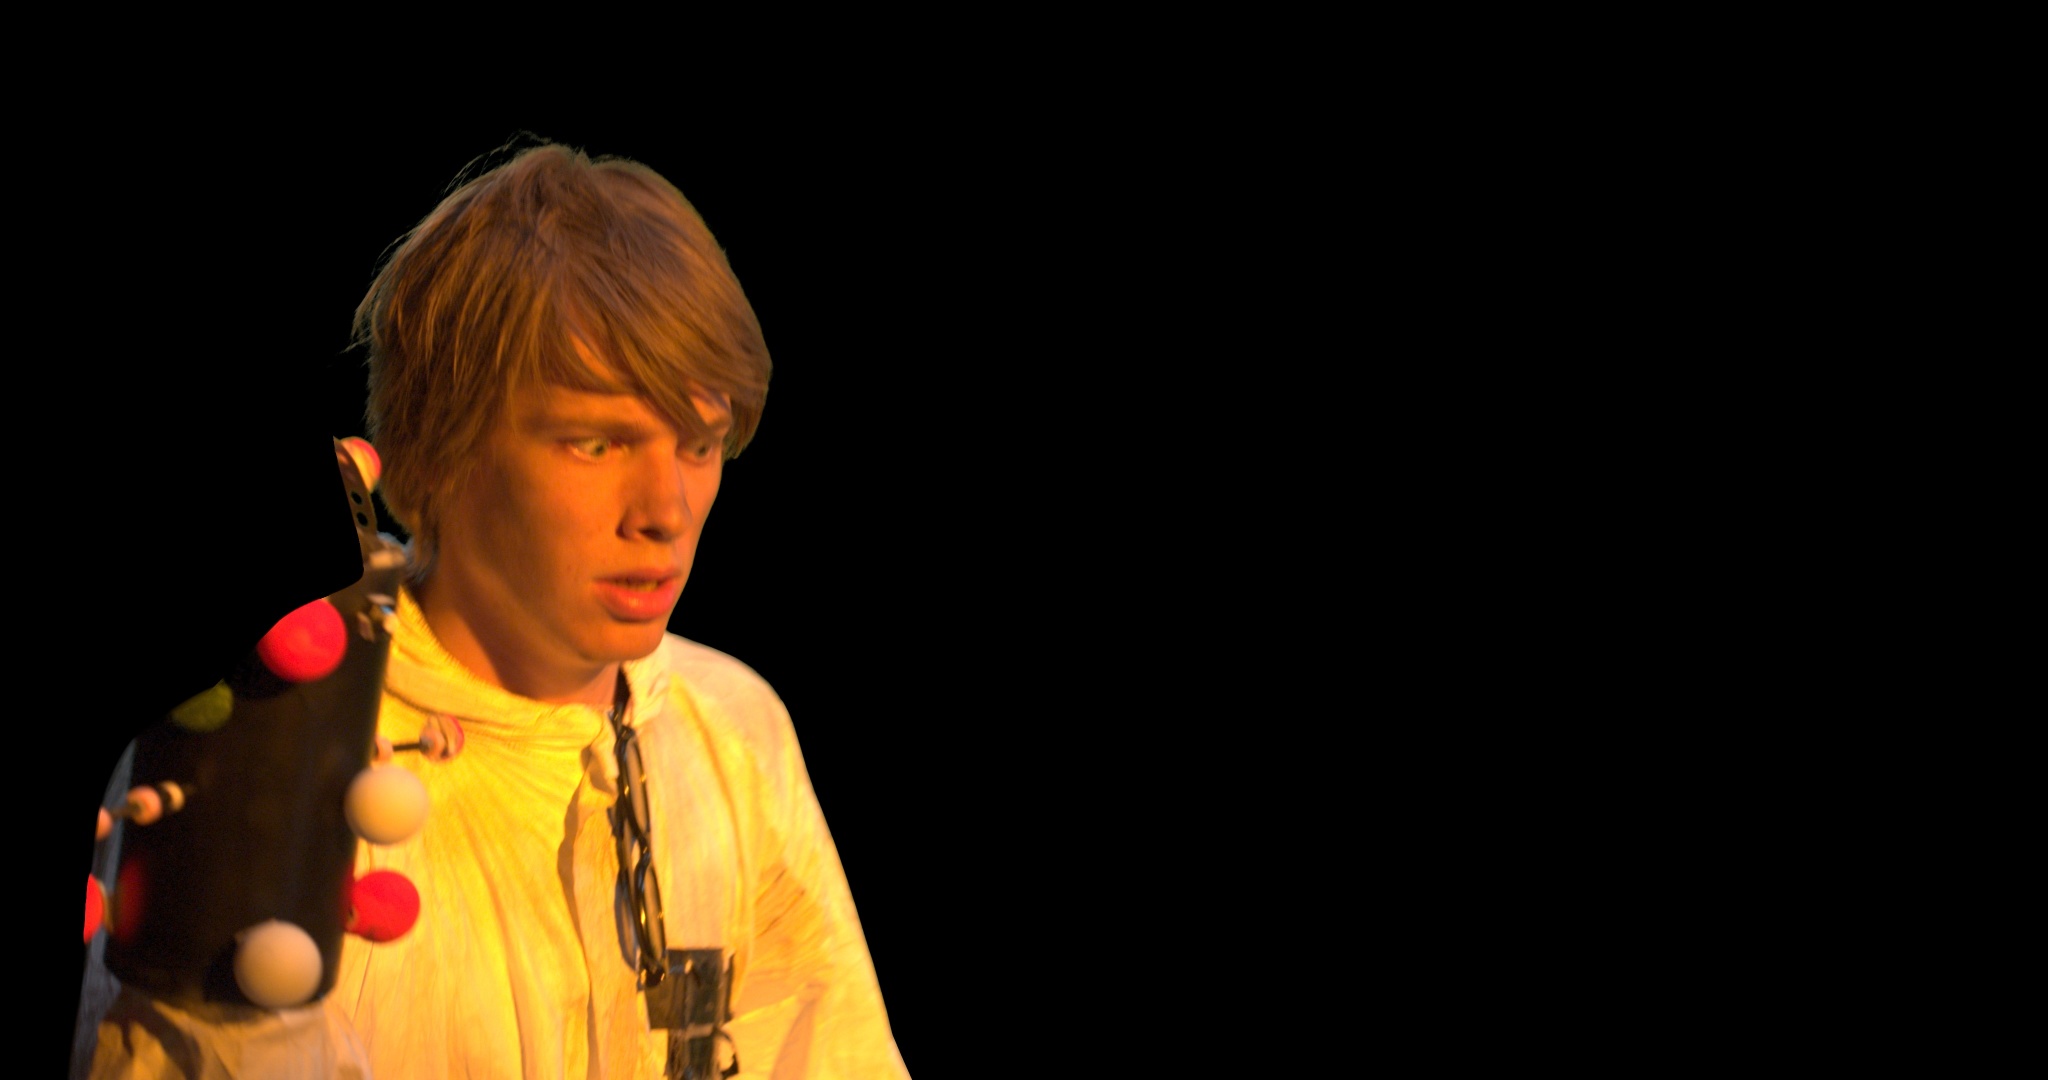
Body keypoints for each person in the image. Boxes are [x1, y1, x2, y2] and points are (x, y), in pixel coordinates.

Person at [79, 141, 909, 1078]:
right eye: (595, 443)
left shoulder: (731, 727)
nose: (667, 511)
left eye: (700, 444)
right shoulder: (278, 750)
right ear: (445, 448)